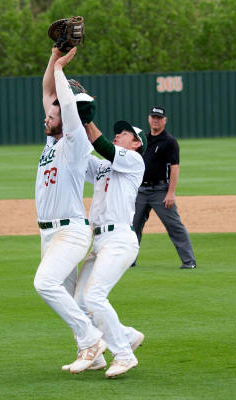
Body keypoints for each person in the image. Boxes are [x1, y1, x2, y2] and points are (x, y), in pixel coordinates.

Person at [32, 47, 106, 375]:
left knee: (44, 283)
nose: (46, 117)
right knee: (69, 295)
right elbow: (48, 92)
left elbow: (61, 99)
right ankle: (96, 354)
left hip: (70, 230)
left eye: (53, 115)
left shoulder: (75, 141)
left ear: (67, 116)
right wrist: (53, 57)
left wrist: (62, 68)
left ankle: (92, 340)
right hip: (49, 233)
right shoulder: (53, 141)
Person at [62, 120, 147, 378]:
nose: (118, 135)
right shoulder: (104, 166)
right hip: (99, 241)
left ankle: (124, 354)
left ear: (136, 143)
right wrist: (71, 122)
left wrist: (87, 120)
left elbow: (104, 147)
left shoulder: (134, 161)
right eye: (117, 132)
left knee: (95, 296)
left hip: (119, 239)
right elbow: (80, 155)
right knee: (78, 302)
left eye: (124, 133)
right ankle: (114, 343)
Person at [132, 106, 197, 270]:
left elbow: (175, 167)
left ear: (165, 120)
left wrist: (171, 193)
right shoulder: (143, 139)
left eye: (159, 118)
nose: (156, 120)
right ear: (149, 119)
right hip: (141, 191)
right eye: (153, 117)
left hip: (160, 191)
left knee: (174, 226)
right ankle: (129, 260)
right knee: (133, 226)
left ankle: (189, 261)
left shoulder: (169, 141)